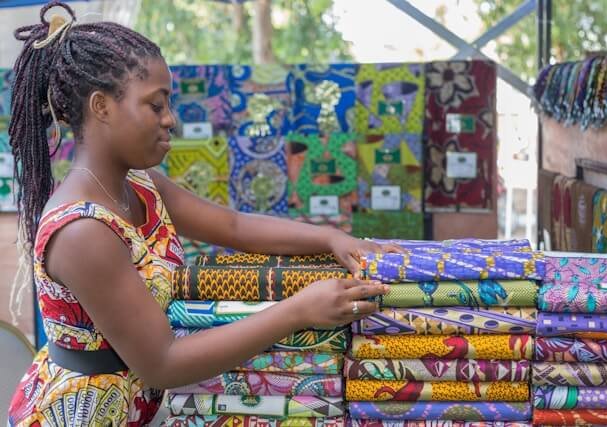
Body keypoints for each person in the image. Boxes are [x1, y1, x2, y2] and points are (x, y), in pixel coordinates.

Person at [7, 2, 398, 425]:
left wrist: (332, 238)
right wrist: (299, 310)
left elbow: (234, 226)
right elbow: (162, 361)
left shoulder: (141, 185)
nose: (170, 120)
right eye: (155, 106)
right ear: (102, 107)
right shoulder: (82, 231)